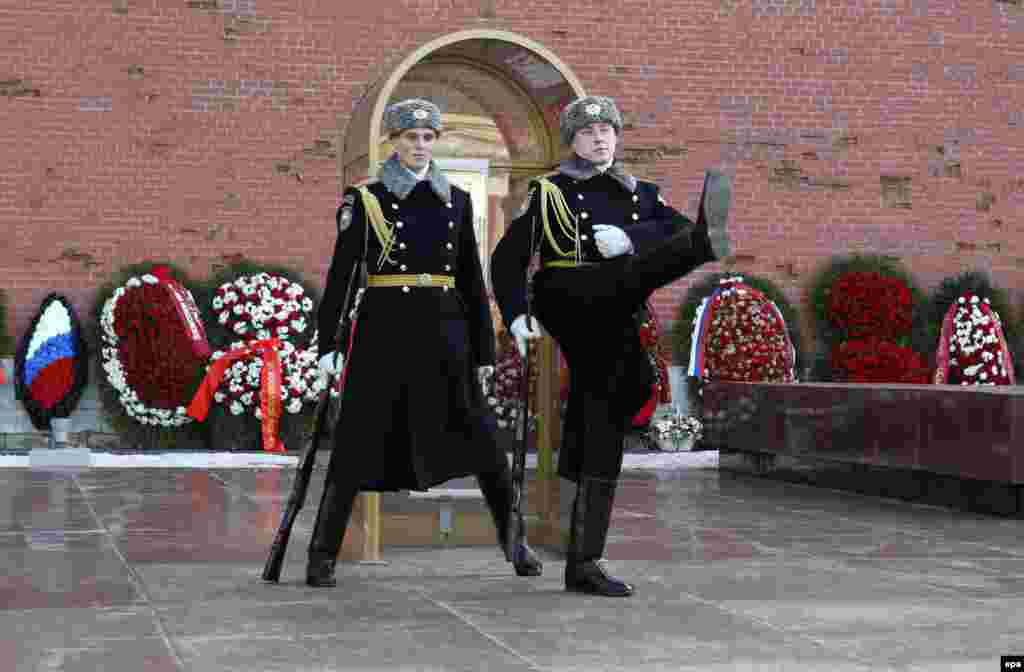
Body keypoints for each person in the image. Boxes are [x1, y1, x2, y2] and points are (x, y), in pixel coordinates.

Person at [490, 95, 731, 597]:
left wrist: (630, 235)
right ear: (573, 141)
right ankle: (708, 245)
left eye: (608, 131)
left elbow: (675, 231)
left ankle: (584, 561)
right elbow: (508, 258)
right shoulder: (551, 191)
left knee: (604, 410)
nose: (600, 139)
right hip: (568, 295)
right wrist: (515, 315)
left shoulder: (639, 193)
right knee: (643, 275)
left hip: (617, 305)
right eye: (588, 132)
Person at [309, 98, 542, 587]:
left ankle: (514, 542)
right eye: (411, 137)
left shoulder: (456, 199)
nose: (420, 146)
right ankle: (322, 553)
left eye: (428, 138)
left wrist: (483, 348)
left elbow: (470, 280)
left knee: (483, 441)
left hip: (445, 335)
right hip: (383, 334)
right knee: (355, 443)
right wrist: (328, 344)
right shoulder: (366, 199)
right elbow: (342, 279)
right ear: (394, 141)